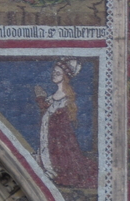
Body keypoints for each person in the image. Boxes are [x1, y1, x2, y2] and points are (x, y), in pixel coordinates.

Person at [34, 59, 96, 188]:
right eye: (54, 72)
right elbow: (46, 111)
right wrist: (41, 99)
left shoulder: (65, 96)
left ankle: (54, 170)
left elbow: (57, 115)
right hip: (49, 132)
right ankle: (49, 168)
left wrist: (41, 99)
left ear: (65, 77)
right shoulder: (54, 95)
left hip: (58, 135)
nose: (54, 75)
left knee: (61, 158)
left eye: (58, 73)